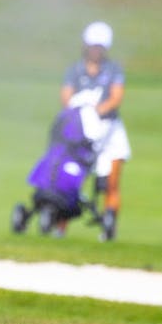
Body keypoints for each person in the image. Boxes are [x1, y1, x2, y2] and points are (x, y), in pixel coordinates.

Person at [60, 21, 130, 241]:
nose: (95, 51)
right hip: (80, 131)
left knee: (111, 183)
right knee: (69, 180)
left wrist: (96, 111)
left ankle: (109, 231)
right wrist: (82, 114)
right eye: (92, 46)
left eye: (99, 47)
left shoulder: (113, 70)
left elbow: (116, 97)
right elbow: (66, 97)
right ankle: (59, 229)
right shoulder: (75, 70)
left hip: (109, 131)